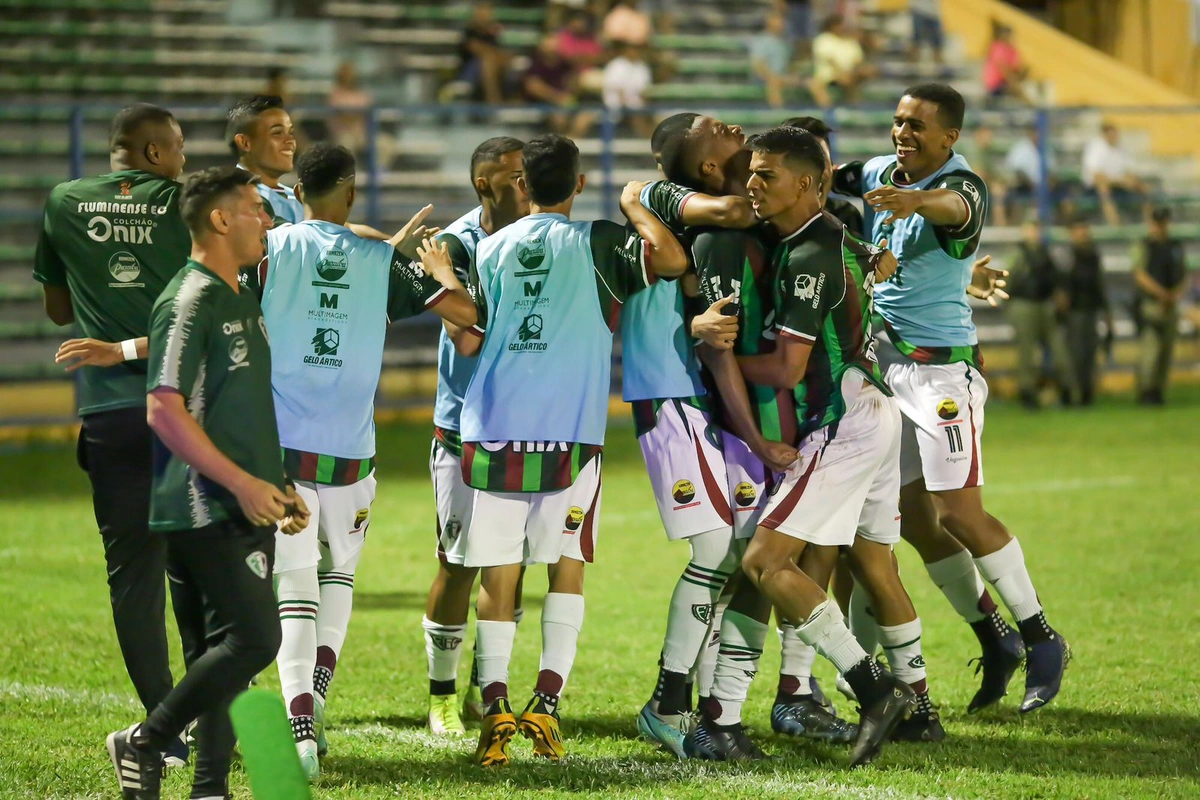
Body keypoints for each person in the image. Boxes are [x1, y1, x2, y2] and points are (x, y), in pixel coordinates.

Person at [447, 134, 687, 766]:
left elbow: (473, 334)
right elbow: (669, 260)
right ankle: (546, 707)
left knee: (499, 572)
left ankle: (495, 707)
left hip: (492, 425)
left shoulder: (490, 248)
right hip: (571, 434)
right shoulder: (602, 242)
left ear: (522, 185)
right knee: (566, 566)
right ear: (579, 185)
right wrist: (637, 210)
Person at [837, 83, 1069, 715]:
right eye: (898, 121)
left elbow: (952, 209)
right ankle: (992, 637)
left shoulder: (961, 185)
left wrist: (915, 201)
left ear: (950, 138)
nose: (903, 133)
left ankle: (1042, 637)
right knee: (904, 521)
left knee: (960, 513)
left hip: (941, 378)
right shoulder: (881, 172)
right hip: (884, 367)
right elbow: (832, 174)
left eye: (918, 126)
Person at [707, 125, 935, 766]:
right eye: (749, 172)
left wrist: (710, 363)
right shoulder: (836, 237)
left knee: (763, 563)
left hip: (842, 421)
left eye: (765, 175)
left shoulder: (809, 254)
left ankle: (874, 689)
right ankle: (920, 708)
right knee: (869, 565)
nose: (751, 185)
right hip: (873, 408)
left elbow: (784, 367)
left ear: (805, 183)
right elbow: (876, 262)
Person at [249, 144, 476, 779]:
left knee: (293, 589)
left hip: (280, 448)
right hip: (351, 451)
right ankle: (314, 706)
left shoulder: (270, 247)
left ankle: (298, 729)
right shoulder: (379, 262)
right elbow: (464, 316)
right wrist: (433, 269)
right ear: (350, 193)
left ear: (298, 191)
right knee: (337, 579)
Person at [651, 114, 858, 757]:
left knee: (795, 557)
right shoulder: (720, 241)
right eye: (723, 133)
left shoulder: (777, 227)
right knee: (743, 562)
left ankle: (786, 695)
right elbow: (721, 353)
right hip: (745, 425)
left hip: (800, 420)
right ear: (711, 168)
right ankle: (687, 705)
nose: (739, 130)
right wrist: (760, 438)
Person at [105, 166, 310, 800]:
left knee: (214, 661)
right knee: (255, 639)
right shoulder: (189, 297)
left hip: (239, 498)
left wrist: (276, 484)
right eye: (255, 208)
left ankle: (209, 789)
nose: (267, 219)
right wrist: (243, 484)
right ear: (220, 220)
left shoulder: (237, 294)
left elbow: (234, 404)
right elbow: (163, 406)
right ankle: (145, 740)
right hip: (204, 503)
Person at [33, 103, 192, 771]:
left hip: (109, 414)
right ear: (155, 154)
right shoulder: (187, 204)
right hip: (187, 410)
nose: (182, 160)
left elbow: (58, 308)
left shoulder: (64, 201)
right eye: (178, 149)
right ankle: (209, 717)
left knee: (133, 576)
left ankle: (166, 731)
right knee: (206, 574)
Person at [420, 137, 531, 736]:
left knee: (511, 569)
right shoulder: (456, 246)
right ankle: (440, 695)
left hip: (525, 426)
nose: (525, 185)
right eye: (514, 177)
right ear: (485, 184)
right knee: (458, 563)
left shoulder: (539, 233)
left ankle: (486, 690)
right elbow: (468, 338)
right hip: (464, 426)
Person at [1005, 221, 1074, 408]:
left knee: (1059, 350)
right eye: (1031, 228)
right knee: (1026, 353)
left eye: (1037, 228)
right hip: (1024, 304)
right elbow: (1008, 279)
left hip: (1044, 304)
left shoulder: (1045, 253)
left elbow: (1054, 277)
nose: (1035, 232)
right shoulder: (1019, 254)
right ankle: (1027, 392)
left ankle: (1066, 389)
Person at [1133, 207, 1189, 405]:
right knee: (1151, 349)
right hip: (1152, 303)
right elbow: (1139, 274)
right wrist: (1162, 293)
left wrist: (1175, 294)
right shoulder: (1144, 245)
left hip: (1171, 303)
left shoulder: (1175, 246)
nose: (1159, 226)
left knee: (1166, 349)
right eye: (1156, 222)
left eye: (1162, 222)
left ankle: (1159, 389)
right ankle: (1146, 389)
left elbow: (1184, 273)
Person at [227, 95, 303, 226]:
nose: (290, 141)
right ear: (244, 142)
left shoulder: (299, 199)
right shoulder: (230, 197)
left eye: (290, 132)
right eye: (277, 133)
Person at [1063, 219, 1112, 406]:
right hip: (1073, 312)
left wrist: (1106, 311)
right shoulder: (1066, 255)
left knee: (1089, 355)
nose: (1082, 233)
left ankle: (1086, 394)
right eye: (1078, 229)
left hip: (1090, 310)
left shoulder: (1093, 256)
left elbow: (1099, 285)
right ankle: (1072, 394)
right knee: (1074, 356)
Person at [522, 34, 596, 138]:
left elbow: (575, 82)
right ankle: (561, 142)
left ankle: (572, 140)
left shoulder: (566, 64)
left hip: (569, 102)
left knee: (587, 115)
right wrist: (556, 97)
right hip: (544, 104)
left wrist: (573, 89)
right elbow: (533, 86)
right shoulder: (535, 64)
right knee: (559, 116)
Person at [1082, 123, 1148, 226]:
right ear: (1104, 135)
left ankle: (1149, 223)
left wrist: (1131, 180)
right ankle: (1115, 225)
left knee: (1144, 187)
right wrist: (1121, 181)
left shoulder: (1121, 148)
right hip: (1095, 188)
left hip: (1118, 185)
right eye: (1111, 134)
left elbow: (1131, 170)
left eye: (1115, 133)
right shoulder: (1095, 147)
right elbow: (1097, 177)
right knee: (1103, 188)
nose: (1114, 136)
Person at [810, 14, 876, 107]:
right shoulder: (823, 39)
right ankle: (828, 111)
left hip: (850, 74)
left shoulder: (850, 41)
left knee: (866, 71)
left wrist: (851, 72)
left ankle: (855, 106)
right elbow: (829, 59)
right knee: (815, 85)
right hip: (828, 76)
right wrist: (841, 73)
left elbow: (857, 61)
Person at [602, 42, 654, 138]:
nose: (634, 52)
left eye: (637, 49)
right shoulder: (616, 65)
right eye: (632, 49)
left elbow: (645, 90)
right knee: (636, 115)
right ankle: (646, 140)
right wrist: (627, 105)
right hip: (616, 104)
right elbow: (617, 88)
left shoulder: (642, 66)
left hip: (637, 105)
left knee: (652, 116)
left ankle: (648, 141)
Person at [748, 12, 798, 109]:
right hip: (764, 78)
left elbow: (788, 64)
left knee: (811, 82)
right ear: (769, 22)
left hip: (783, 77)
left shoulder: (786, 42)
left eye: (782, 21)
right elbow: (758, 64)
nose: (781, 23)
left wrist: (792, 75)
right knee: (774, 82)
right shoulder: (762, 40)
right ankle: (779, 114)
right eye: (778, 20)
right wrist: (772, 77)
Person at [327, 61, 372, 156]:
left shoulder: (362, 94)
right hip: (343, 134)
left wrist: (354, 116)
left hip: (362, 134)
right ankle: (350, 170)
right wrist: (356, 116)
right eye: (346, 73)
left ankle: (379, 169)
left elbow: (369, 114)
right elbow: (342, 116)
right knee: (346, 144)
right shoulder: (335, 94)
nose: (349, 76)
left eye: (351, 73)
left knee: (385, 143)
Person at [982, 22, 1028, 102]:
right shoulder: (997, 47)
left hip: (1007, 83)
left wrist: (1022, 73)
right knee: (1013, 83)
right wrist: (1014, 81)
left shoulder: (1013, 50)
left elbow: (1016, 68)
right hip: (995, 85)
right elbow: (1003, 68)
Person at [909, 0, 944, 64]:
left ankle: (938, 62)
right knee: (917, 39)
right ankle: (912, 62)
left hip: (934, 12)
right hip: (919, 9)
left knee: (937, 41)